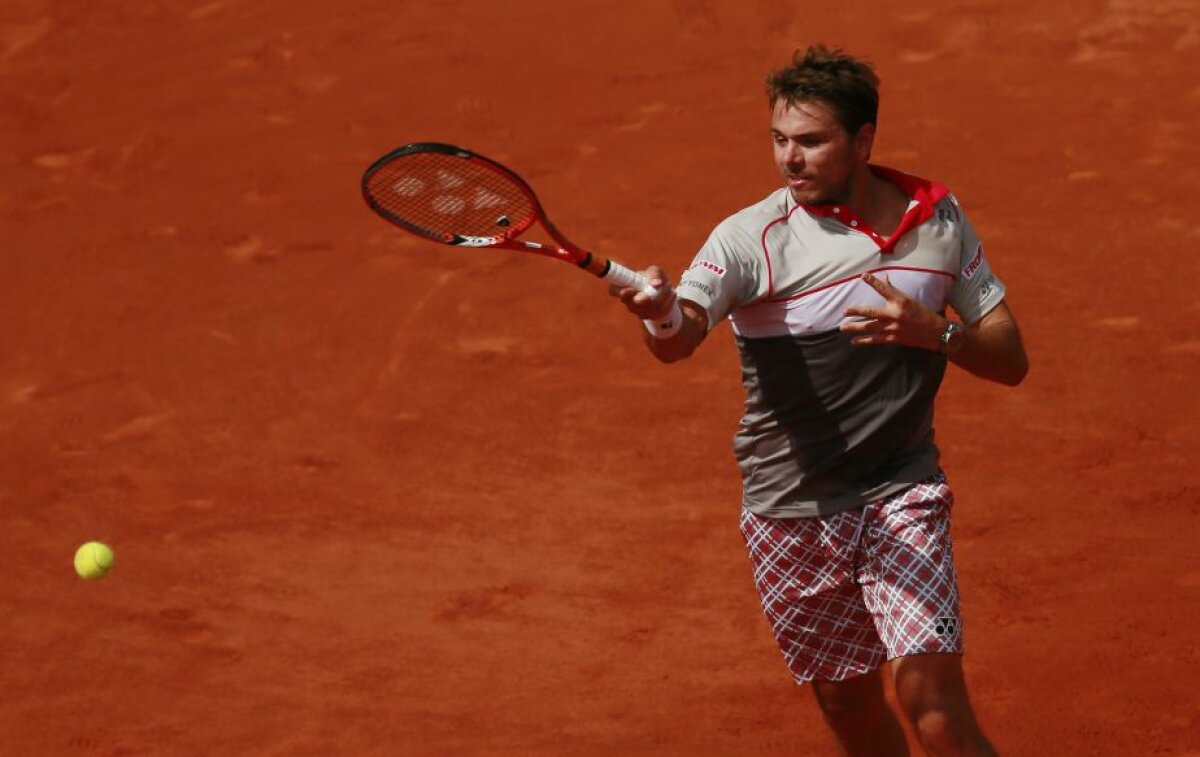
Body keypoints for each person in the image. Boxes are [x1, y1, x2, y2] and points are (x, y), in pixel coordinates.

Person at [611, 45, 1028, 756]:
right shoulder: (750, 239)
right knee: (851, 707)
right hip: (793, 505)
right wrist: (656, 312)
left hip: (901, 487)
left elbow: (1010, 357)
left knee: (930, 697)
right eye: (779, 140)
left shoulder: (937, 218)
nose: (789, 159)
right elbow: (679, 337)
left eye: (810, 141)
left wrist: (937, 334)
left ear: (862, 141)